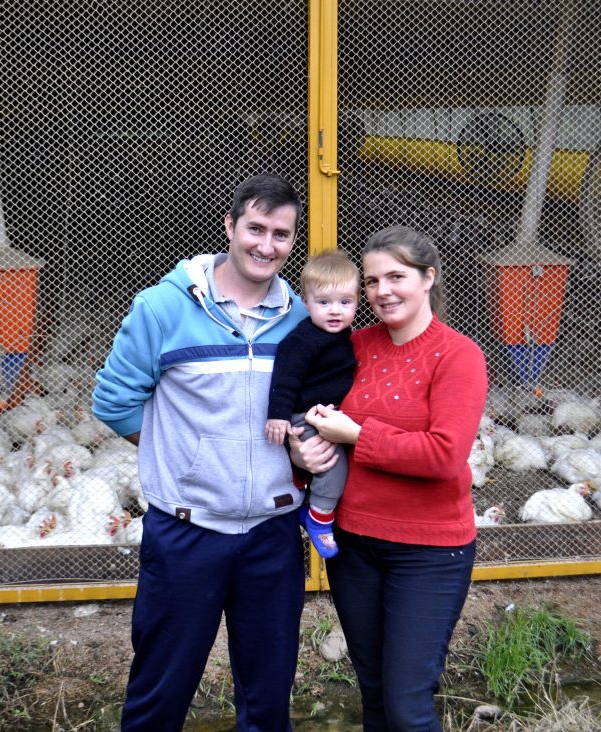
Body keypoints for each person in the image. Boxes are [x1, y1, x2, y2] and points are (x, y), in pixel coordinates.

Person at [92, 174, 310, 732]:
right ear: (230, 227)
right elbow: (114, 401)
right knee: (160, 696)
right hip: (186, 531)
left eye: (281, 234)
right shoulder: (162, 308)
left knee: (267, 701)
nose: (266, 245)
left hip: (273, 533)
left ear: (292, 240)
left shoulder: (301, 319)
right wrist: (185, 455)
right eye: (255, 228)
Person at [301, 225, 488, 731]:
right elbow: (311, 410)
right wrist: (304, 447)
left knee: (408, 707)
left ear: (428, 278)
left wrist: (358, 435)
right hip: (354, 545)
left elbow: (444, 455)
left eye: (396, 277)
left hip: (428, 553)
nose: (382, 291)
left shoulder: (459, 355)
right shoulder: (353, 345)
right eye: (371, 281)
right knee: (375, 694)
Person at [265, 249, 359, 558]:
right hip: (304, 416)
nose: (335, 311)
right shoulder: (302, 340)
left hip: (327, 415)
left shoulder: (346, 337)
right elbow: (285, 378)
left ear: (357, 301)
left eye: (345, 302)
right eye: (324, 302)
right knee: (333, 464)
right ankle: (319, 517)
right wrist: (278, 416)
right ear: (306, 302)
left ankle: (311, 499)